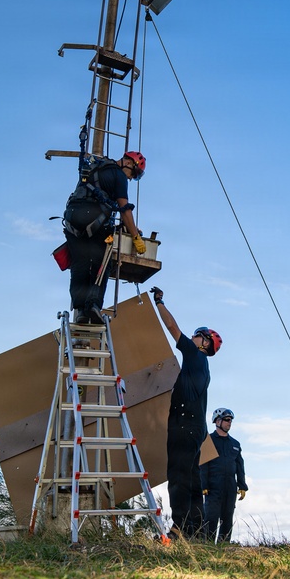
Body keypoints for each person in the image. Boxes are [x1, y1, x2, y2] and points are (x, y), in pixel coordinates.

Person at [150, 285, 222, 539]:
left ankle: (179, 528)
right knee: (191, 481)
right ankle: (197, 531)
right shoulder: (202, 368)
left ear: (205, 343)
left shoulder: (194, 355)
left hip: (183, 426)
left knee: (178, 477)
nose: (192, 338)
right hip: (195, 429)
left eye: (197, 335)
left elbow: (172, 329)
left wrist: (159, 302)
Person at [61, 151, 147, 324]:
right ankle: (93, 305)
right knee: (103, 263)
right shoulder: (119, 175)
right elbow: (125, 209)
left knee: (80, 264)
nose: (130, 178)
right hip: (94, 220)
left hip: (72, 219)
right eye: (133, 174)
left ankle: (80, 309)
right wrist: (135, 236)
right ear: (129, 164)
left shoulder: (94, 168)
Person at [200, 407, 248, 543]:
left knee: (227, 518)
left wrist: (242, 486)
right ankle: (208, 546)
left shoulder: (235, 444)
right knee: (211, 518)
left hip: (230, 487)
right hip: (213, 487)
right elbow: (203, 465)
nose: (229, 423)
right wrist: (204, 485)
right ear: (217, 421)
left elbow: (240, 466)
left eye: (231, 420)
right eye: (227, 420)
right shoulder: (208, 441)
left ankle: (224, 546)